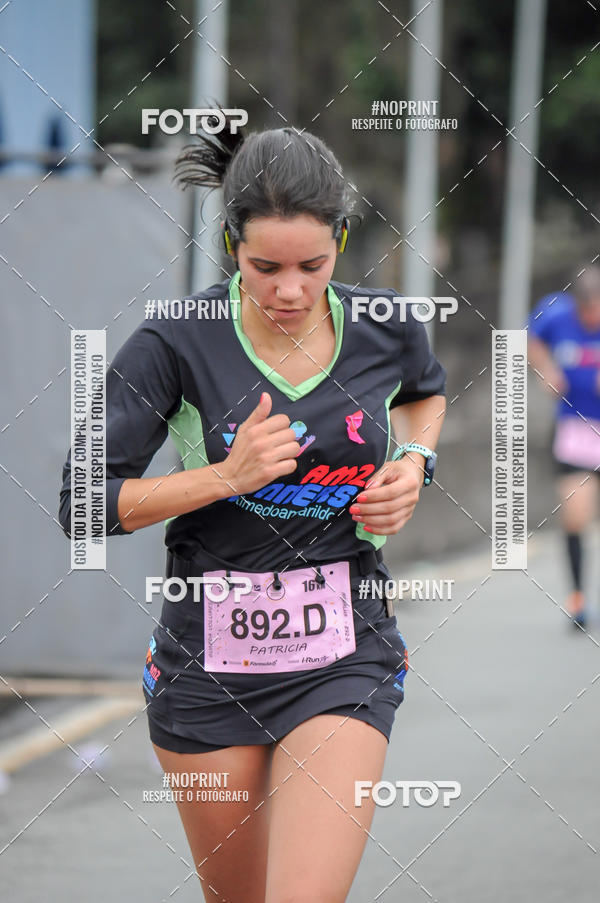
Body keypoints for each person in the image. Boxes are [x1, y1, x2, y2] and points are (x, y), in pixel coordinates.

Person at [59, 119, 446, 903]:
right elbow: (84, 501)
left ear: (341, 240)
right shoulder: (175, 341)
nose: (290, 291)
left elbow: (425, 393)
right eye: (266, 267)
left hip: (344, 652)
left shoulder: (387, 326)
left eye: (313, 265)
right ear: (231, 244)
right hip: (207, 663)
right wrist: (223, 476)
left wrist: (413, 462)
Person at [528, 265, 600, 630]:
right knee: (575, 513)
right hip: (576, 429)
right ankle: (578, 598)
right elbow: (529, 340)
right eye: (587, 312)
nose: (592, 320)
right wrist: (546, 369)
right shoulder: (555, 314)